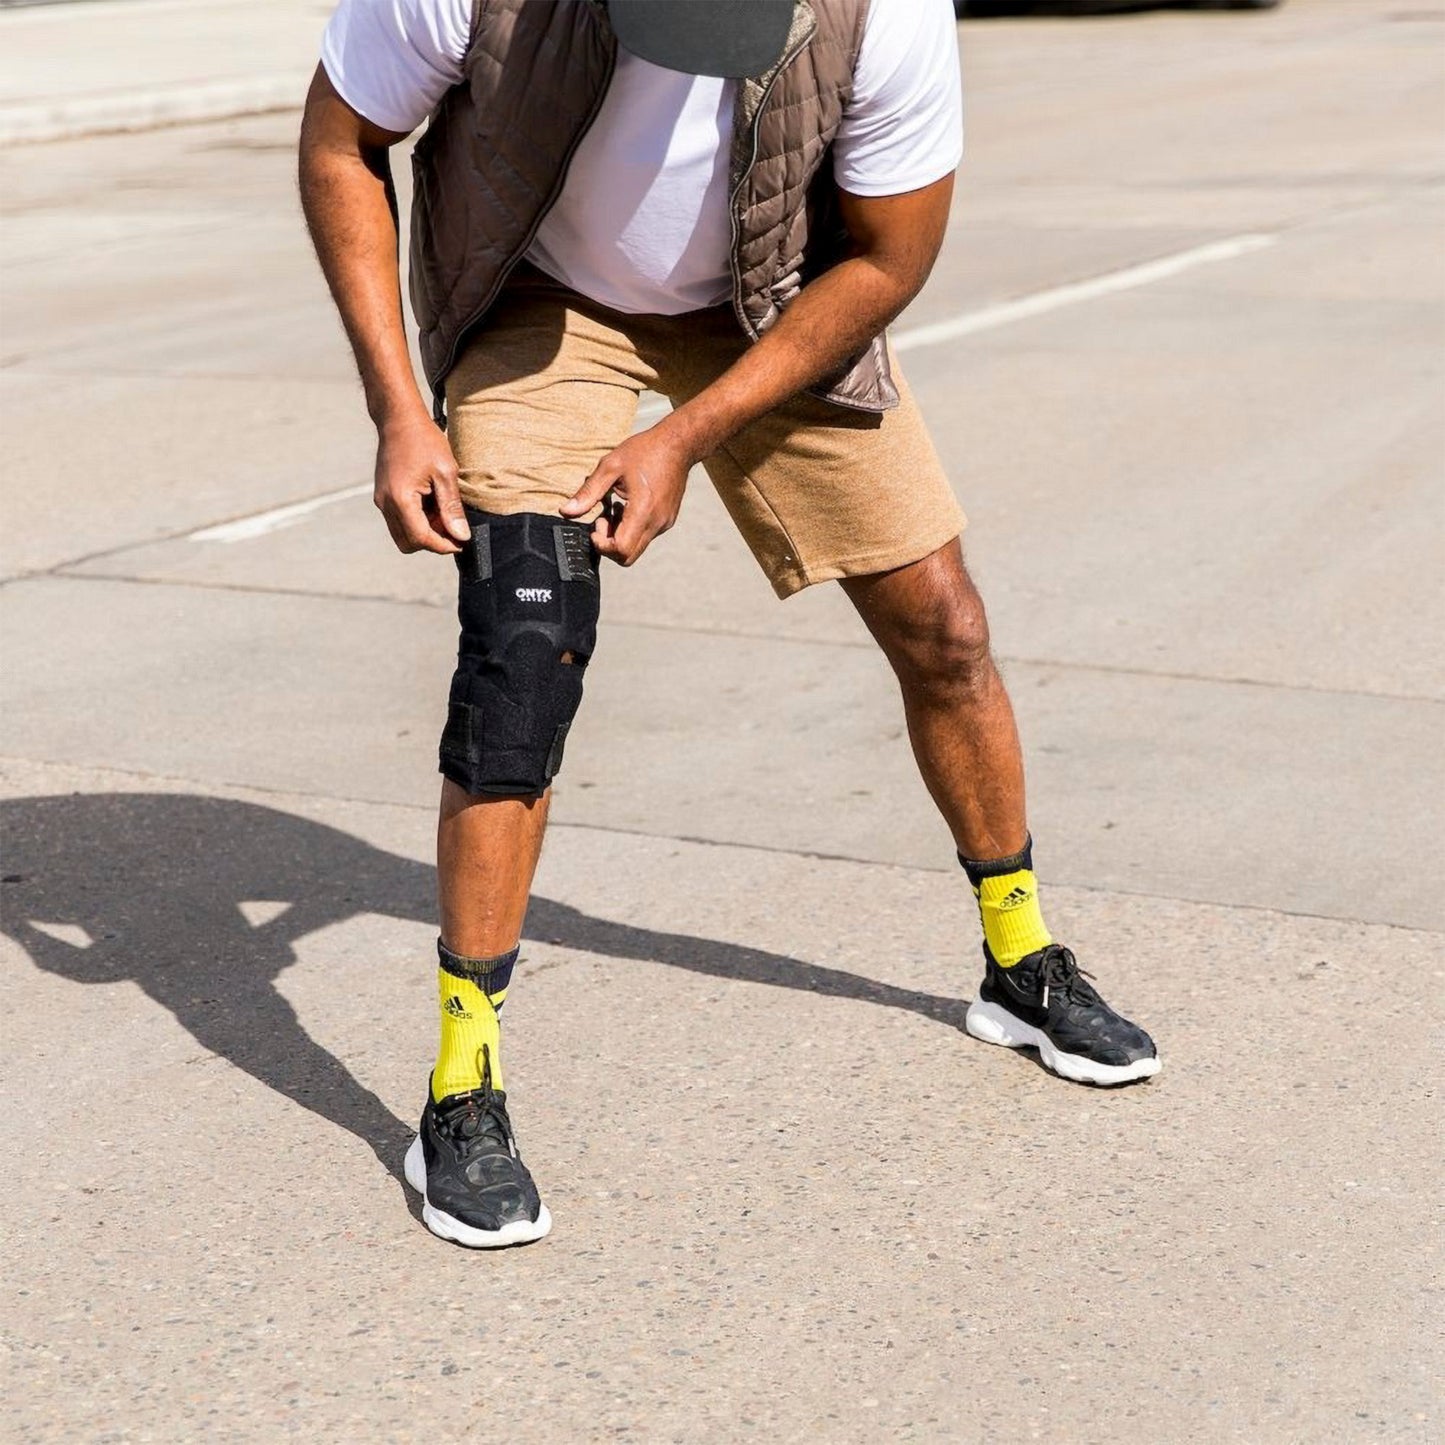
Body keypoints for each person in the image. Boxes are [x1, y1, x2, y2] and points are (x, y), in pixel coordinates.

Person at [298, 0, 1159, 1250]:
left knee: (946, 632)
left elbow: (888, 258)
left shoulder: (887, 15)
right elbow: (340, 143)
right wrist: (398, 411)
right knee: (520, 659)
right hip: (545, 301)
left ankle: (1017, 959)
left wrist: (682, 439)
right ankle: (463, 1080)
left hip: (768, 303)